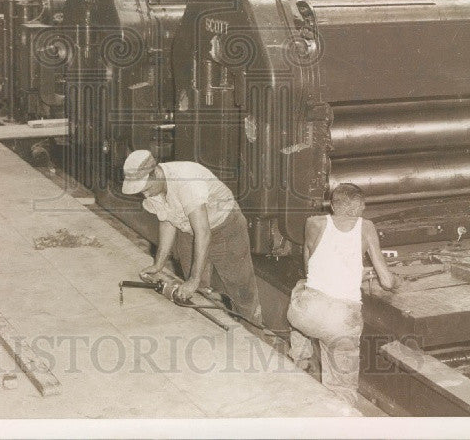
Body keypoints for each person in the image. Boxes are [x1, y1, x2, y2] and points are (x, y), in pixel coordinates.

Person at [123, 150, 263, 326]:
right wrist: (159, 264)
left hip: (225, 227)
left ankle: (255, 336)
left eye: (147, 188)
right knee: (195, 293)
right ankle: (210, 331)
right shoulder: (154, 189)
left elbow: (203, 233)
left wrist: (194, 279)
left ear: (156, 173)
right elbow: (167, 222)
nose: (146, 195)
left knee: (242, 292)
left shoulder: (187, 181)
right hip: (189, 229)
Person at [287, 183, 395, 401]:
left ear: (333, 206)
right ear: (357, 208)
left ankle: (299, 359)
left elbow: (310, 269)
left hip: (305, 313)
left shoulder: (313, 223)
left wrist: (350, 270)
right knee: (342, 389)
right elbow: (387, 282)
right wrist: (394, 279)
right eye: (362, 209)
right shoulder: (367, 227)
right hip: (342, 321)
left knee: (302, 287)